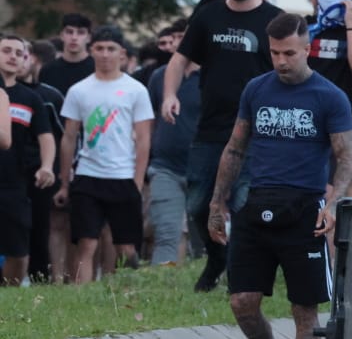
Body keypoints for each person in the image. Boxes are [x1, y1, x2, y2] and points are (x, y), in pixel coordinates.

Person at [210, 13, 352, 339]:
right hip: (258, 204)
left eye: (289, 53)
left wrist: (333, 203)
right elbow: (235, 147)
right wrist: (216, 202)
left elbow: (346, 158)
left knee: (304, 309)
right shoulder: (256, 89)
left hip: (305, 210)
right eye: (274, 53)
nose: (281, 61)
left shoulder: (330, 96)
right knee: (242, 300)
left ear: (306, 49)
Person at [162, 0, 281, 292]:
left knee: (244, 206)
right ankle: (216, 259)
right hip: (211, 130)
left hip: (256, 134)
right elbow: (179, 60)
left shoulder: (274, 19)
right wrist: (169, 94)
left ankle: (240, 273)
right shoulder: (208, 15)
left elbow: (287, 70)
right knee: (198, 205)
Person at [55, 26, 154, 284]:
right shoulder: (79, 90)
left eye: (111, 49)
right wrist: (65, 182)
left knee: (126, 247)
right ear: (92, 51)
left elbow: (144, 139)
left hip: (123, 176)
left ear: (121, 53)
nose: (105, 54)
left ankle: (125, 295)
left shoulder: (136, 90)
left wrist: (137, 179)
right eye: (99, 48)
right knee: (86, 242)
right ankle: (81, 300)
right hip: (88, 175)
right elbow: (68, 138)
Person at [0, 37, 54, 285]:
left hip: (14, 182)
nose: (12, 56)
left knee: (19, 250)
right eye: (6, 50)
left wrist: (46, 166)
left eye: (18, 53)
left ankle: (9, 293)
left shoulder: (30, 98)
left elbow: (46, 137)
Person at [146, 50, 201, 265]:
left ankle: (206, 291)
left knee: (203, 240)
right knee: (166, 235)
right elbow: (149, 120)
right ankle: (160, 292)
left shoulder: (214, 76)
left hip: (204, 170)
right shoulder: (159, 76)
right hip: (165, 167)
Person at [40, 13, 96, 97]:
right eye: (69, 32)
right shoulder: (48, 70)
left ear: (88, 38)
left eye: (80, 32)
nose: (74, 37)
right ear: (62, 35)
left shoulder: (97, 69)